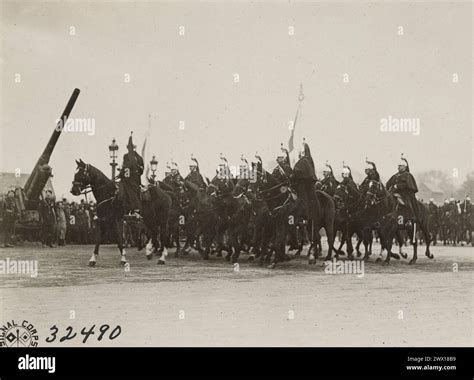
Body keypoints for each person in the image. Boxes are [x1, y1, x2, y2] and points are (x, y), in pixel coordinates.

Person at [386, 155, 420, 221]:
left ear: (404, 166)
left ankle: (410, 219)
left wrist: (398, 186)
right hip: (394, 193)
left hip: (404, 194)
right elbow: (388, 183)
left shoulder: (408, 175)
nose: (398, 167)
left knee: (406, 204)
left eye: (400, 166)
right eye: (398, 166)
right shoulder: (395, 175)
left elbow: (409, 185)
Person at [291, 139, 318, 219]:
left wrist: (293, 175)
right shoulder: (305, 161)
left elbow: (300, 173)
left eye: (300, 152)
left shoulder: (304, 161)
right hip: (301, 183)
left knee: (302, 199)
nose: (299, 154)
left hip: (304, 185)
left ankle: (303, 215)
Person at [118, 133, 144, 217]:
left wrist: (122, 174)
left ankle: (132, 208)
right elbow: (140, 170)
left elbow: (127, 168)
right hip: (133, 179)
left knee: (125, 189)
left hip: (131, 180)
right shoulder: (137, 157)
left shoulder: (130, 157)